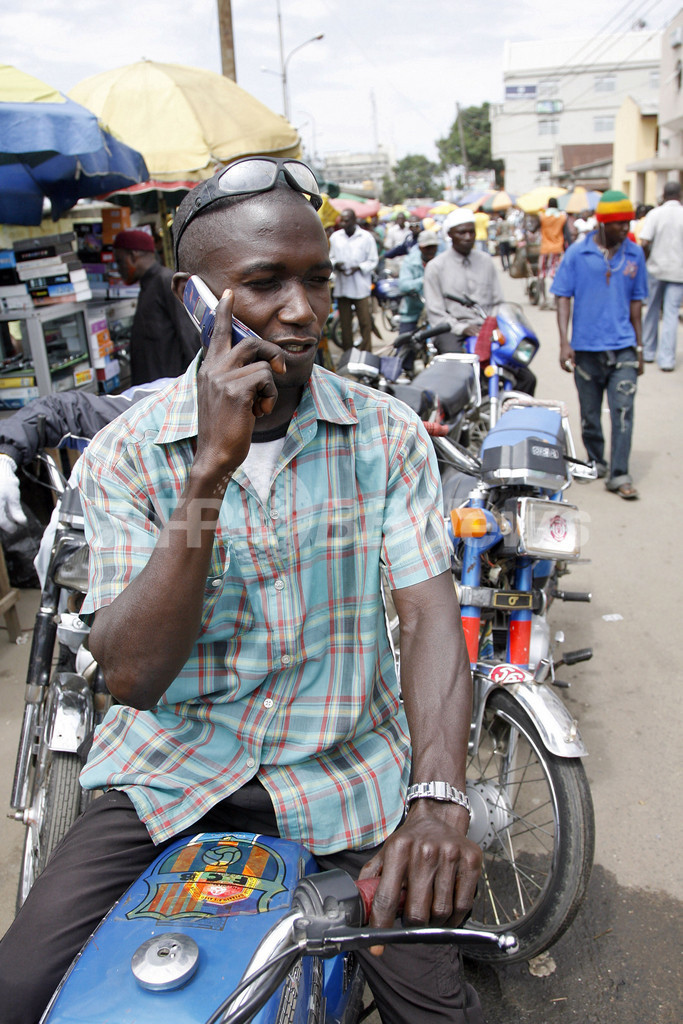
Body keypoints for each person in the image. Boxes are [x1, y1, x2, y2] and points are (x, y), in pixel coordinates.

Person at [0, 157, 483, 1024]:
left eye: (317, 280)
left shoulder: (385, 435)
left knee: (434, 1009)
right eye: (264, 284)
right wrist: (208, 478)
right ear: (197, 301)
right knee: (19, 990)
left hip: (352, 779)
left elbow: (428, 620)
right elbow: (134, 677)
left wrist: (437, 797)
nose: (302, 312)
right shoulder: (129, 456)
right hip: (169, 782)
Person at [551, 189, 648, 500]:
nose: (626, 229)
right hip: (586, 350)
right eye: (620, 223)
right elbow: (562, 296)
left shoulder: (635, 255)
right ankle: (596, 461)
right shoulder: (577, 254)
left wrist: (640, 347)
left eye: (628, 223)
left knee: (623, 411)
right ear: (603, 224)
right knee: (590, 413)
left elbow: (636, 304)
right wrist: (564, 342)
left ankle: (620, 473)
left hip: (623, 349)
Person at [113, 228, 200, 384]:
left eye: (119, 261)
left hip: (170, 388)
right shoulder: (148, 285)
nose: (118, 269)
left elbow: (190, 337)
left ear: (133, 256)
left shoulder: (165, 281)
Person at [423, 207, 503, 352]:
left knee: (520, 369)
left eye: (471, 232)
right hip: (451, 330)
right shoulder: (436, 267)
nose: (468, 237)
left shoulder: (486, 261)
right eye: (462, 232)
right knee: (456, 366)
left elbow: (498, 301)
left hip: (487, 326)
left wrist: (491, 323)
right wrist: (462, 328)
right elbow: (436, 312)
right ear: (450, 234)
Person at [638, 181, 683, 372]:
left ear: (663, 195)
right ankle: (667, 360)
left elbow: (644, 241)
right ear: (679, 195)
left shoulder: (655, 214)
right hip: (678, 271)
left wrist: (645, 262)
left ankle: (648, 352)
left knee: (652, 310)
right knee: (671, 313)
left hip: (655, 269)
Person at [328, 208, 378, 351]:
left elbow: (373, 260)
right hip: (343, 285)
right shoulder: (336, 237)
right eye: (341, 220)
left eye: (346, 220)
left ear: (354, 221)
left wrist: (359, 267)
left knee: (364, 321)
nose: (343, 223)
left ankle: (366, 351)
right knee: (345, 324)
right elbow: (330, 258)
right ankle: (348, 353)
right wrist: (336, 264)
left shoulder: (366, 237)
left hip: (360, 286)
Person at [537, 197, 567, 309]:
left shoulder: (542, 217)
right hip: (557, 248)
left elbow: (535, 229)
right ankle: (555, 301)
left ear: (548, 205)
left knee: (542, 274)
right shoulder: (562, 217)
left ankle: (543, 299)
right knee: (554, 274)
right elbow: (566, 234)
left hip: (545, 248)